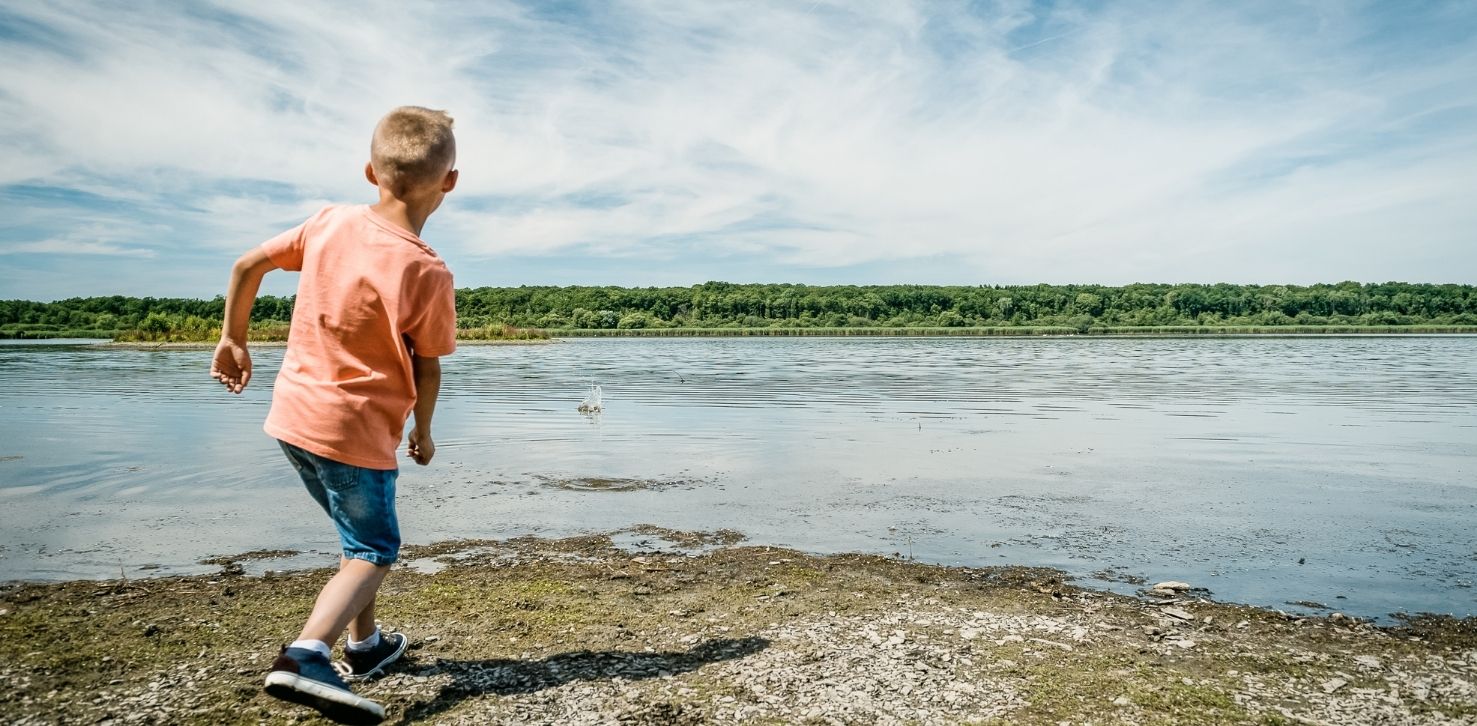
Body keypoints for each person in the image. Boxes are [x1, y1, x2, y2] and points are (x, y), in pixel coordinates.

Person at [210, 106, 459, 724]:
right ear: (450, 182)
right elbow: (427, 366)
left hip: (294, 419)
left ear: (369, 171)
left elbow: (248, 265)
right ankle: (305, 654)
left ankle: (365, 646)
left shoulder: (327, 222)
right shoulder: (426, 269)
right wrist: (423, 432)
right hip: (355, 431)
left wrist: (233, 339)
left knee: (353, 542)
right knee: (375, 548)